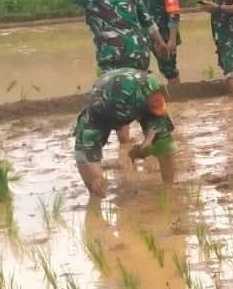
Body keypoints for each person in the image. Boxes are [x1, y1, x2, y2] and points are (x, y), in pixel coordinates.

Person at [74, 68, 175, 198]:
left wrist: (146, 145)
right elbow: (86, 150)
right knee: (82, 153)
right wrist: (95, 175)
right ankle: (96, 194)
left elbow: (158, 123)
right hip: (102, 99)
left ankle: (168, 189)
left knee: (164, 140)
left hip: (138, 88)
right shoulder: (96, 112)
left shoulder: (148, 88)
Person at [67, 0, 157, 73]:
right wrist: (161, 44)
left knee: (111, 84)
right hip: (141, 54)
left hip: (113, 57)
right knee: (139, 83)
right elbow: (148, 22)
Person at [139, 0, 183, 85]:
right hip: (146, 36)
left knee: (169, 70)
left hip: (165, 36)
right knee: (141, 67)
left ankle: (176, 96)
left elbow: (174, 17)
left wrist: (172, 40)